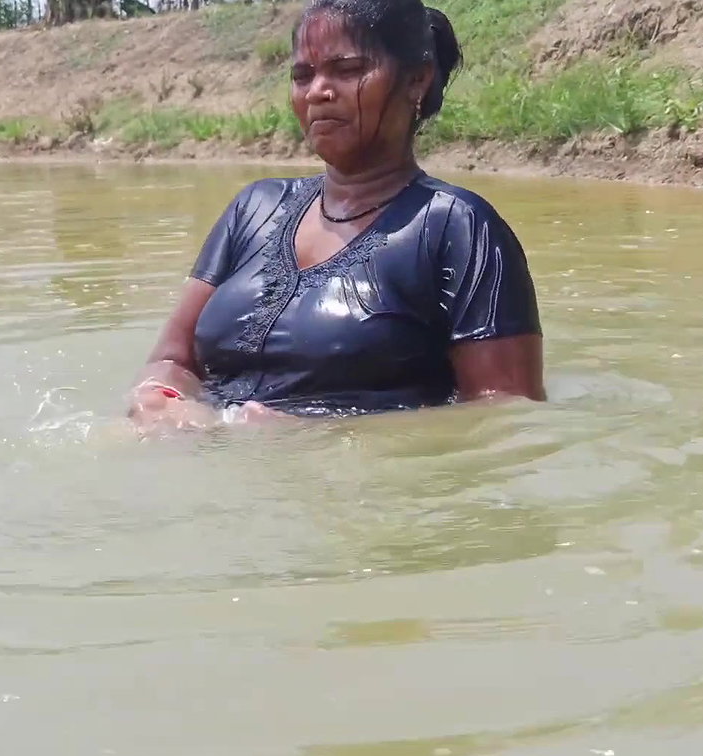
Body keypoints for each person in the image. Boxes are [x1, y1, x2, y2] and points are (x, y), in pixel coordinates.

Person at [128, 0, 545, 432]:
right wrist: (162, 400)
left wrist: (316, 435)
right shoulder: (254, 208)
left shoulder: (458, 227)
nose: (317, 92)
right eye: (302, 75)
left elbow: (507, 415)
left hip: (354, 486)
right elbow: (171, 360)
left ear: (416, 80)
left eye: (347, 71)